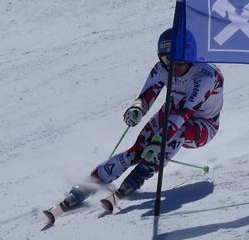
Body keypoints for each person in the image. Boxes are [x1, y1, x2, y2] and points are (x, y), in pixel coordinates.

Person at [62, 28, 224, 213]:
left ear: (191, 57)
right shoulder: (162, 69)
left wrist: (159, 141)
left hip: (203, 126)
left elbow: (183, 113)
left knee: (168, 137)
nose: (174, 66)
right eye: (167, 60)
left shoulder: (206, 76)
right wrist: (137, 109)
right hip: (171, 112)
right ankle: (90, 184)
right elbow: (146, 96)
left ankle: (141, 173)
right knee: (138, 150)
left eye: (179, 60)